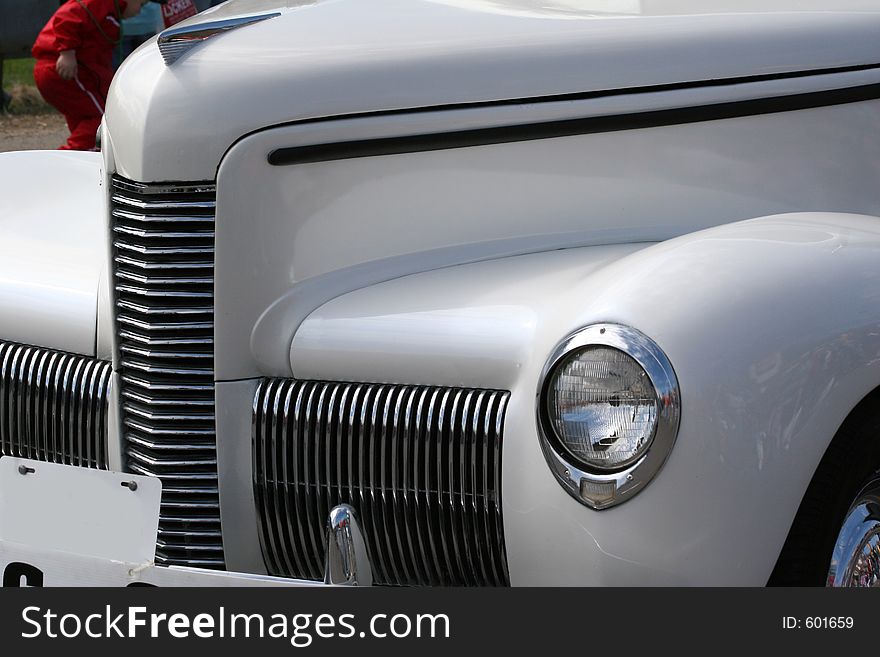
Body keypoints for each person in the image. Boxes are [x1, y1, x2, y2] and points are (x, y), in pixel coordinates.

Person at [32, 0, 149, 151]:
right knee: (105, 118)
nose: (139, 11)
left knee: (86, 119)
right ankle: (68, 157)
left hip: (77, 74)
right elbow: (68, 16)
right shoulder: (101, 3)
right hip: (61, 69)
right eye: (142, 4)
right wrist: (67, 52)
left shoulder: (111, 12)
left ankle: (87, 156)